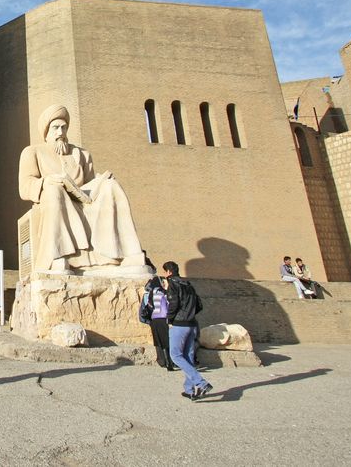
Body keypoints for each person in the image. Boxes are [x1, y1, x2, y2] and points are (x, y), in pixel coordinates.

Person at [19, 104, 147, 273]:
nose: (60, 133)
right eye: (55, 128)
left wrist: (100, 182)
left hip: (83, 201)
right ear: (46, 131)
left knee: (110, 186)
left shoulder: (82, 154)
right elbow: (25, 187)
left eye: (64, 128)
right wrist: (46, 182)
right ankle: (57, 256)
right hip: (54, 200)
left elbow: (88, 184)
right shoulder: (33, 152)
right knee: (54, 191)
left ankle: (121, 254)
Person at [162, 261, 212, 401]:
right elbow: (199, 305)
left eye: (165, 272)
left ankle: (201, 383)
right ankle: (189, 390)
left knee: (175, 355)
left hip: (180, 324)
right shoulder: (188, 284)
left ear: (169, 272)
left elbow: (173, 304)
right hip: (192, 324)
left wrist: (170, 320)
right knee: (188, 356)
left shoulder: (172, 283)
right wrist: (190, 314)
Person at [142, 276, 174, 371]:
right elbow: (168, 305)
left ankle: (162, 361)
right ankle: (169, 362)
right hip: (164, 318)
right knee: (167, 341)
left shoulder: (151, 293)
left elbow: (150, 306)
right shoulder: (164, 292)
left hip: (154, 319)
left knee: (158, 341)